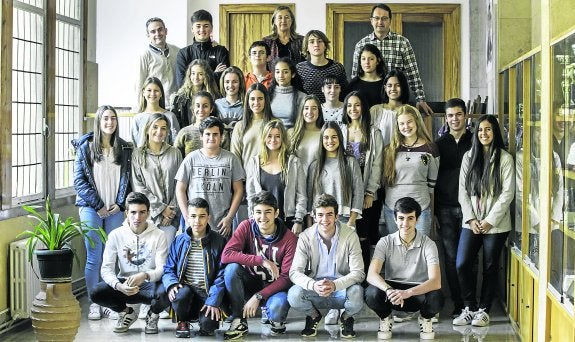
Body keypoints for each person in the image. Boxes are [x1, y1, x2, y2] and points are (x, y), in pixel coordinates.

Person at [71, 105, 133, 320]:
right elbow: (79, 182)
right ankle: (94, 303)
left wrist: (120, 204)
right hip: (91, 208)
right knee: (94, 256)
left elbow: (128, 181)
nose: (109, 122)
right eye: (105, 118)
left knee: (112, 257)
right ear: (98, 121)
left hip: (115, 209)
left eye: (113, 118)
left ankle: (110, 302)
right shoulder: (85, 147)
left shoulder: (124, 148)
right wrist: (98, 205)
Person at [455, 115, 515, 327]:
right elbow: (462, 191)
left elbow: (508, 193)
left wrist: (489, 221)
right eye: (480, 130)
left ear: (495, 132)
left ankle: (484, 310)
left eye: (488, 129)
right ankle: (469, 307)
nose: (483, 133)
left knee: (490, 266)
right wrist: (471, 219)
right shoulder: (468, 157)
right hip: (471, 222)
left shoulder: (505, 159)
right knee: (462, 263)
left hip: (496, 224)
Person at [221, 191, 298, 339]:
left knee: (277, 309)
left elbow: (287, 278)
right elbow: (226, 255)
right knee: (231, 269)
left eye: (268, 212)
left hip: (275, 289)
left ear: (276, 213)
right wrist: (260, 260)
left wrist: (259, 296)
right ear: (252, 213)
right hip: (251, 283)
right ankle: (239, 320)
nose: (262, 218)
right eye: (258, 212)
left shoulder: (290, 239)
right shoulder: (246, 226)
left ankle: (274, 318)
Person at [90, 192, 169, 334]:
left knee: (169, 291)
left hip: (149, 284)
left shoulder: (159, 235)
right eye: (133, 212)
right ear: (126, 213)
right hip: (125, 284)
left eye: (142, 212)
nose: (137, 217)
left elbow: (162, 268)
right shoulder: (115, 235)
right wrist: (118, 285)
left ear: (148, 213)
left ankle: (153, 314)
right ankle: (126, 312)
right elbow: (106, 269)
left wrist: (144, 275)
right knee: (96, 293)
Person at [365, 197, 443, 340]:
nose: (405, 223)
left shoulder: (429, 244)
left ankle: (425, 319)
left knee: (437, 297)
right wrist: (389, 290)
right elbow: (371, 275)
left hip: (417, 291)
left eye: (410, 218)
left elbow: (436, 281)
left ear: (417, 220)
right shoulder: (385, 242)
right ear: (395, 219)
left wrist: (408, 292)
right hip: (392, 292)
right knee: (371, 293)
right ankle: (386, 318)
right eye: (401, 218)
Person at [288, 194, 365, 338]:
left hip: (341, 287)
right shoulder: (305, 237)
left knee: (357, 293)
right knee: (294, 295)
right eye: (320, 215)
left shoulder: (350, 236)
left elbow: (359, 272)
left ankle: (346, 317)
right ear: (314, 216)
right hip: (316, 288)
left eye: (329, 214)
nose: (325, 220)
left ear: (336, 216)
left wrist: (335, 285)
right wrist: (313, 285)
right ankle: (313, 316)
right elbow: (294, 272)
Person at [161, 197, 227, 338]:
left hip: (207, 292)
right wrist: (172, 283)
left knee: (208, 326)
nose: (197, 221)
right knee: (179, 295)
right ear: (187, 218)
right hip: (186, 291)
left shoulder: (219, 241)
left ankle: (204, 320)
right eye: (193, 216)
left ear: (208, 217)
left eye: (202, 216)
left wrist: (214, 299)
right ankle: (183, 320)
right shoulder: (179, 240)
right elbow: (168, 268)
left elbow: (223, 274)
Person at [351, 3, 433, 116]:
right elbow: (356, 76)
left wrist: (420, 99)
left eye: (384, 18)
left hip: (395, 101)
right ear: (371, 20)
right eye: (376, 18)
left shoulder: (402, 43)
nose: (380, 22)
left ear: (390, 20)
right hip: (368, 99)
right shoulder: (361, 45)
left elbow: (412, 74)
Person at [175, 117, 245, 238]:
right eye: (207, 134)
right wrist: (187, 217)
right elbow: (180, 189)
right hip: (195, 224)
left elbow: (239, 190)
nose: (211, 138)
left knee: (221, 256)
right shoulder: (191, 159)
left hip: (222, 225)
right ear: (201, 136)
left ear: (221, 137)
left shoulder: (231, 159)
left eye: (215, 134)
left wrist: (229, 217)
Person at [434, 98, 472, 318]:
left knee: (468, 258)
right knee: (450, 258)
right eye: (450, 116)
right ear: (445, 118)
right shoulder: (439, 144)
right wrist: (437, 211)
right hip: (446, 209)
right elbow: (434, 180)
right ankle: (458, 303)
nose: (454, 119)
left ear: (465, 116)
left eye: (458, 114)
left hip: (470, 210)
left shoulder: (475, 141)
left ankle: (470, 302)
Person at [341, 91, 384, 274]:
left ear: (363, 107)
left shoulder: (374, 133)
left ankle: (365, 277)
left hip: (366, 194)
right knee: (345, 237)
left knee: (363, 237)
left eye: (357, 105)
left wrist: (369, 192)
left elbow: (377, 164)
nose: (353, 109)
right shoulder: (340, 130)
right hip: (344, 193)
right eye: (349, 105)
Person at [382, 105, 439, 237]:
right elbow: (385, 183)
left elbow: (432, 185)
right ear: (397, 126)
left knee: (420, 251)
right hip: (393, 209)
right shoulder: (389, 150)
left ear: (417, 122)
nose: (406, 126)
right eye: (401, 123)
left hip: (421, 209)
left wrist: (433, 211)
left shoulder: (431, 148)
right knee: (395, 252)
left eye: (409, 122)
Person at [245, 120, 307, 234]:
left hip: (288, 222)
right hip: (262, 222)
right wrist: (253, 219)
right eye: (269, 136)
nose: (273, 140)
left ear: (282, 138)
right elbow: (251, 196)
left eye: (277, 136)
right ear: (264, 138)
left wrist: (298, 220)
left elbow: (301, 195)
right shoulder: (254, 163)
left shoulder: (293, 162)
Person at [132, 113, 182, 247]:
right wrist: (160, 209)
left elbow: (180, 184)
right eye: (155, 127)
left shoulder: (175, 153)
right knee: (148, 259)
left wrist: (171, 212)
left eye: (163, 128)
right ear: (147, 129)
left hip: (170, 219)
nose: (159, 132)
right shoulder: (137, 154)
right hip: (148, 216)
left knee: (165, 260)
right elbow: (138, 187)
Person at [308, 122, 364, 229]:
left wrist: (351, 221)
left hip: (345, 219)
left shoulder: (350, 162)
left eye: (334, 137)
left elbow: (359, 192)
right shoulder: (315, 166)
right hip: (320, 220)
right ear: (322, 140)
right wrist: (310, 224)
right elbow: (310, 197)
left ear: (340, 138)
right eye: (326, 137)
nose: (330, 141)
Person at [134, 17, 180, 111]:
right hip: (154, 107)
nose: (157, 34)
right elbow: (139, 83)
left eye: (160, 29)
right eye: (153, 31)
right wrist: (140, 109)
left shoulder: (177, 51)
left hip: (175, 107)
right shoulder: (144, 55)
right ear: (148, 35)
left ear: (166, 31)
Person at [175, 9, 229, 87]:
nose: (202, 30)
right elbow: (182, 83)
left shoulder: (221, 51)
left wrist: (195, 79)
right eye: (198, 26)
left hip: (215, 98)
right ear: (192, 29)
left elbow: (223, 80)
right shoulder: (183, 53)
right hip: (191, 98)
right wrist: (214, 74)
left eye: (206, 26)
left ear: (211, 28)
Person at [296, 30, 348, 103]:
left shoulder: (337, 67)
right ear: (306, 47)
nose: (316, 44)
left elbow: (344, 93)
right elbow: (296, 95)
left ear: (325, 45)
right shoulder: (300, 68)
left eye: (320, 41)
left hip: (332, 110)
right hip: (308, 111)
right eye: (311, 42)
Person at [231, 83, 275, 167]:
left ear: (266, 100)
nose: (256, 102)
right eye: (252, 99)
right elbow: (235, 156)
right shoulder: (240, 126)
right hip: (246, 177)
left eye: (260, 99)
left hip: (270, 176)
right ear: (247, 101)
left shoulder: (274, 123)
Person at [131, 77, 180, 147]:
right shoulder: (137, 118)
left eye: (156, 90)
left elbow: (176, 144)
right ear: (143, 93)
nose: (152, 93)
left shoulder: (170, 116)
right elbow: (134, 145)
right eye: (149, 90)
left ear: (161, 94)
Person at [172, 59, 221, 128]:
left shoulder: (213, 96)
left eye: (200, 74)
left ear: (206, 76)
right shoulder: (180, 98)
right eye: (193, 73)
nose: (196, 77)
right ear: (189, 75)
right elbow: (176, 122)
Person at [370, 69, 410, 146]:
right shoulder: (375, 110)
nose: (393, 89)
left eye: (397, 85)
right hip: (379, 155)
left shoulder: (410, 110)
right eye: (389, 85)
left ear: (403, 87)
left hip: (403, 155)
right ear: (385, 88)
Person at [174, 91, 218, 158]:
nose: (201, 109)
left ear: (211, 109)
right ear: (193, 109)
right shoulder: (184, 133)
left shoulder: (218, 132)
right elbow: (176, 157)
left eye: (205, 106)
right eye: (197, 106)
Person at [289, 94, 326, 171]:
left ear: (319, 111)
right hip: (295, 178)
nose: (310, 112)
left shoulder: (324, 134)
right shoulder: (291, 133)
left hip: (316, 178)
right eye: (306, 108)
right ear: (301, 111)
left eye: (314, 108)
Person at [262, 5, 305, 71]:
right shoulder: (267, 41)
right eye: (280, 17)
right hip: (273, 79)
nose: (283, 20)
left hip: (297, 79)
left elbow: (306, 63)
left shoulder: (302, 41)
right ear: (275, 21)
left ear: (292, 20)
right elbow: (263, 64)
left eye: (286, 17)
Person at [345, 44, 387, 109]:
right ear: (360, 62)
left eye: (371, 59)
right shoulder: (353, 84)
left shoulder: (386, 83)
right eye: (363, 59)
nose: (367, 62)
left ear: (378, 61)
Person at [268, 57, 306, 129]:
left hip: (294, 136)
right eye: (278, 72)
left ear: (293, 74)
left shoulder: (302, 97)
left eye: (285, 72)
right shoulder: (267, 94)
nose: (281, 76)